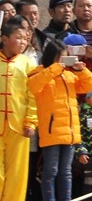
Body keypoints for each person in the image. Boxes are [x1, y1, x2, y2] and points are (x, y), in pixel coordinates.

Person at [28, 36, 92, 201]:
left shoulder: (69, 75)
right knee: (50, 171)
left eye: (65, 57)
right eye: (60, 57)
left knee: (66, 171)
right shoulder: (39, 73)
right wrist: (56, 67)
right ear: (51, 56)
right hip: (52, 130)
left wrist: (81, 70)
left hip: (70, 131)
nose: (63, 61)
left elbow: (89, 86)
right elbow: (33, 85)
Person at [0, 17, 38, 201]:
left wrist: (31, 121)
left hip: (19, 126)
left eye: (25, 38)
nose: (23, 42)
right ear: (4, 39)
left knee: (17, 172)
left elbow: (33, 96)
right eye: (18, 37)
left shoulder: (28, 63)